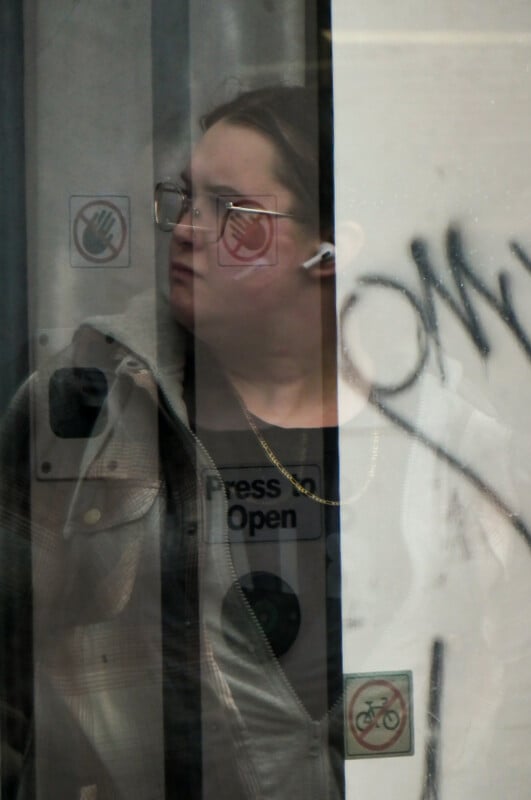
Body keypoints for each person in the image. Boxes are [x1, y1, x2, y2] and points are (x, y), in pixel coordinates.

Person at [0, 85, 345, 799]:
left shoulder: (420, 424)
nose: (187, 228)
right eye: (184, 199)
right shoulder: (86, 404)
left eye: (231, 211)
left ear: (326, 251)